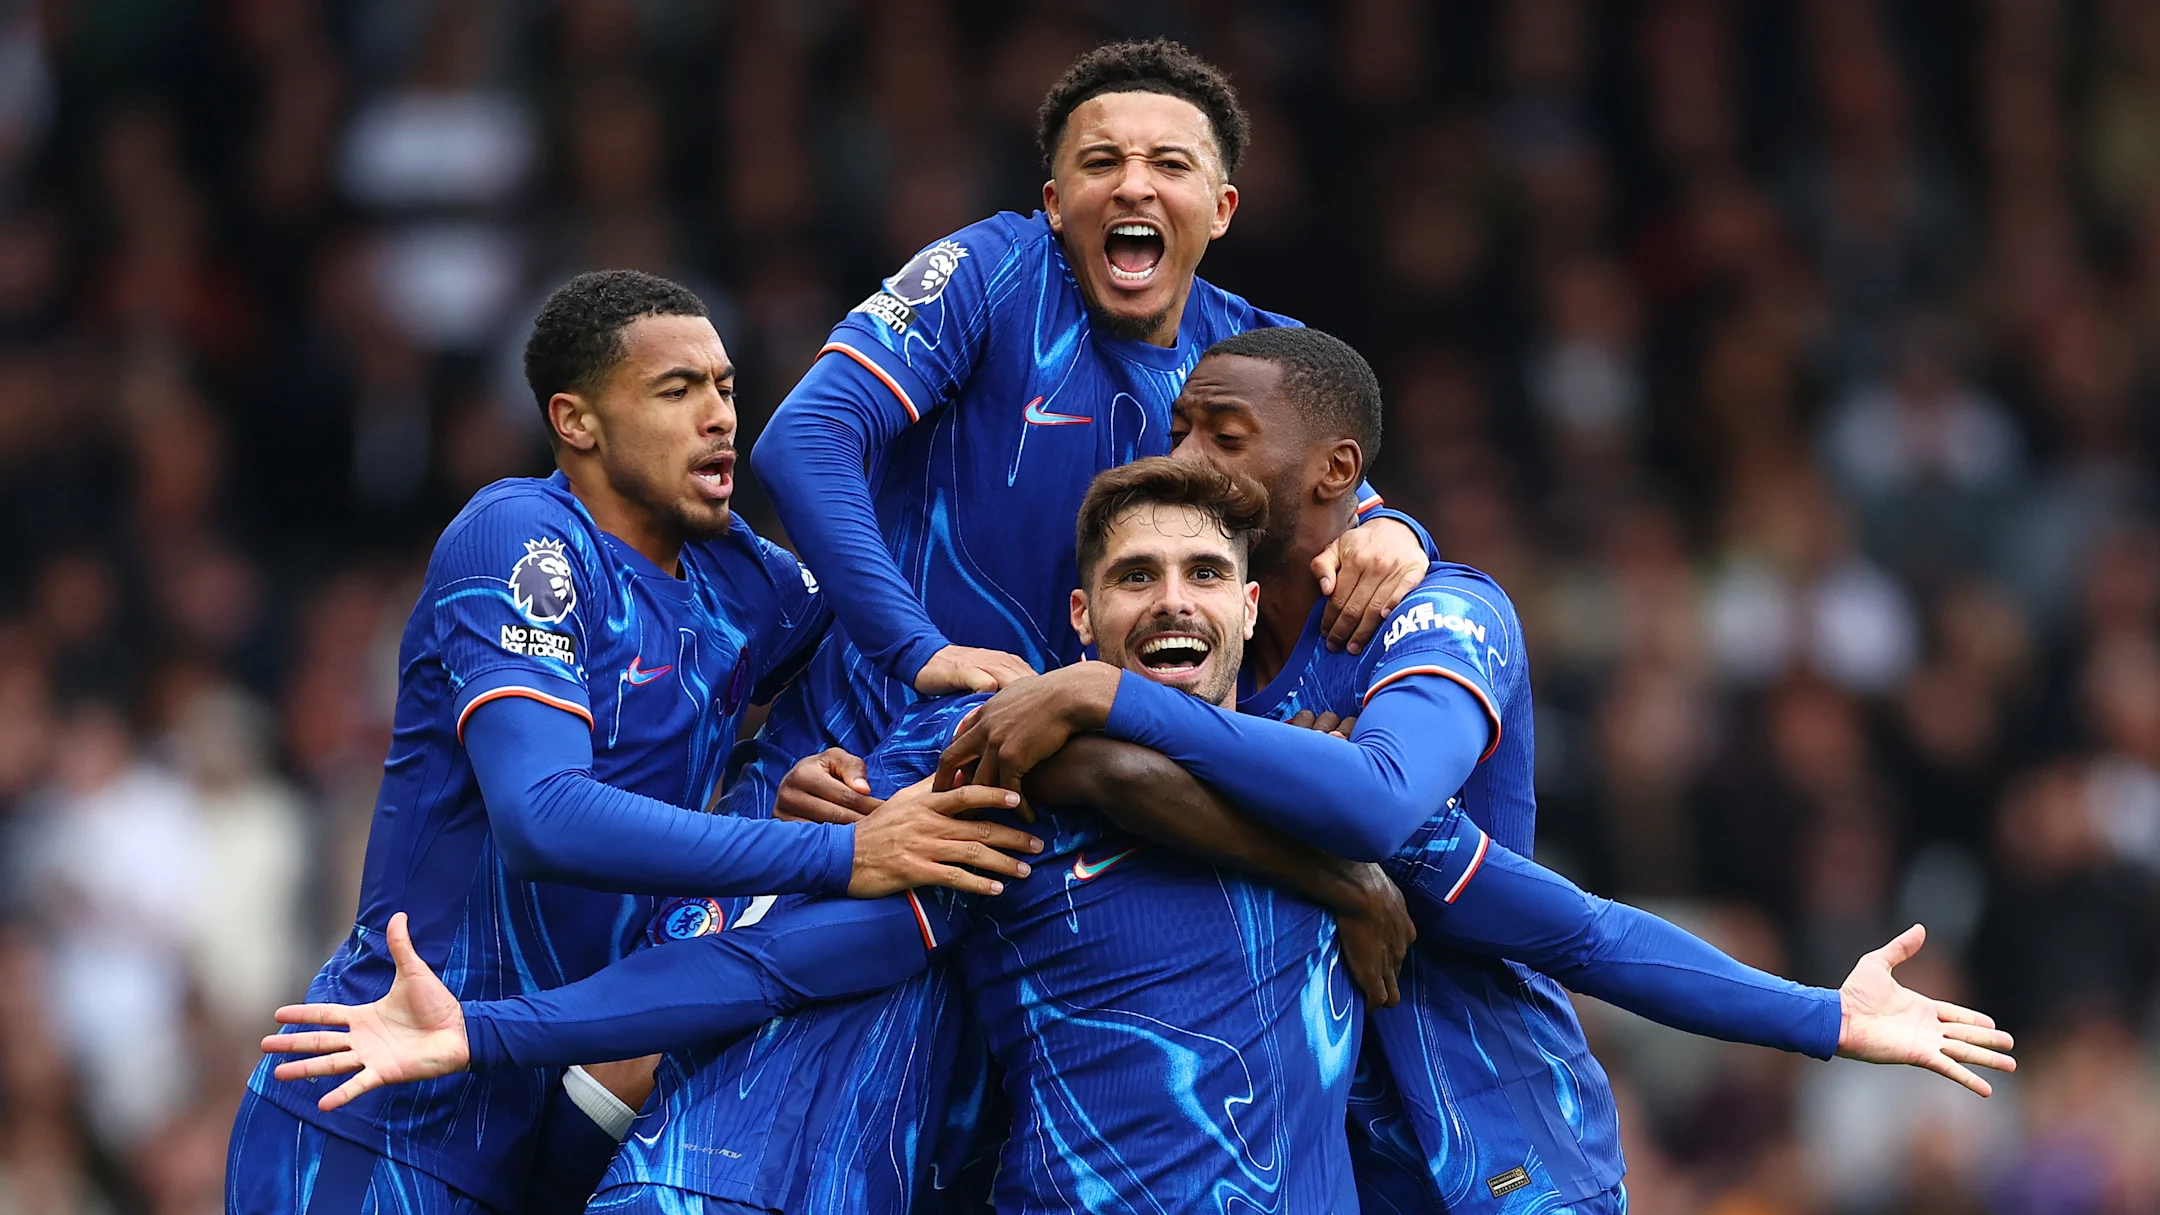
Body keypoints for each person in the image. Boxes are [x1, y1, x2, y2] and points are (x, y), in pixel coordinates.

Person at [262, 458, 2010, 1212]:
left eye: (1200, 575)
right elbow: (785, 970)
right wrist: (481, 1032)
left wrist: (1829, 1019)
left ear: (1254, 606)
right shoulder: (1001, 827)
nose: (1170, 602)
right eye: (1134, 581)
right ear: (1083, 614)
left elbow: (1580, 932)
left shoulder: (1340, 807)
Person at [938, 329, 2015, 1212]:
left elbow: (1415, 826)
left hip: (1505, 1150)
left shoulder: (1440, 617)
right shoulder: (1210, 667)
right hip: (1330, 1166)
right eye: (1178, 431)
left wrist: (1822, 1017)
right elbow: (1107, 775)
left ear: (1335, 473)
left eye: (1220, 437)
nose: (1186, 460)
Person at [226, 270, 1041, 1215]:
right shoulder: (523, 541)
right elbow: (545, 816)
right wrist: (843, 852)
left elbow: (851, 685)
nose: (720, 417)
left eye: (727, 387)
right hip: (383, 1096)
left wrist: (789, 772)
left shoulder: (750, 583)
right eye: (676, 389)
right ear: (577, 423)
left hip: (562, 1108)